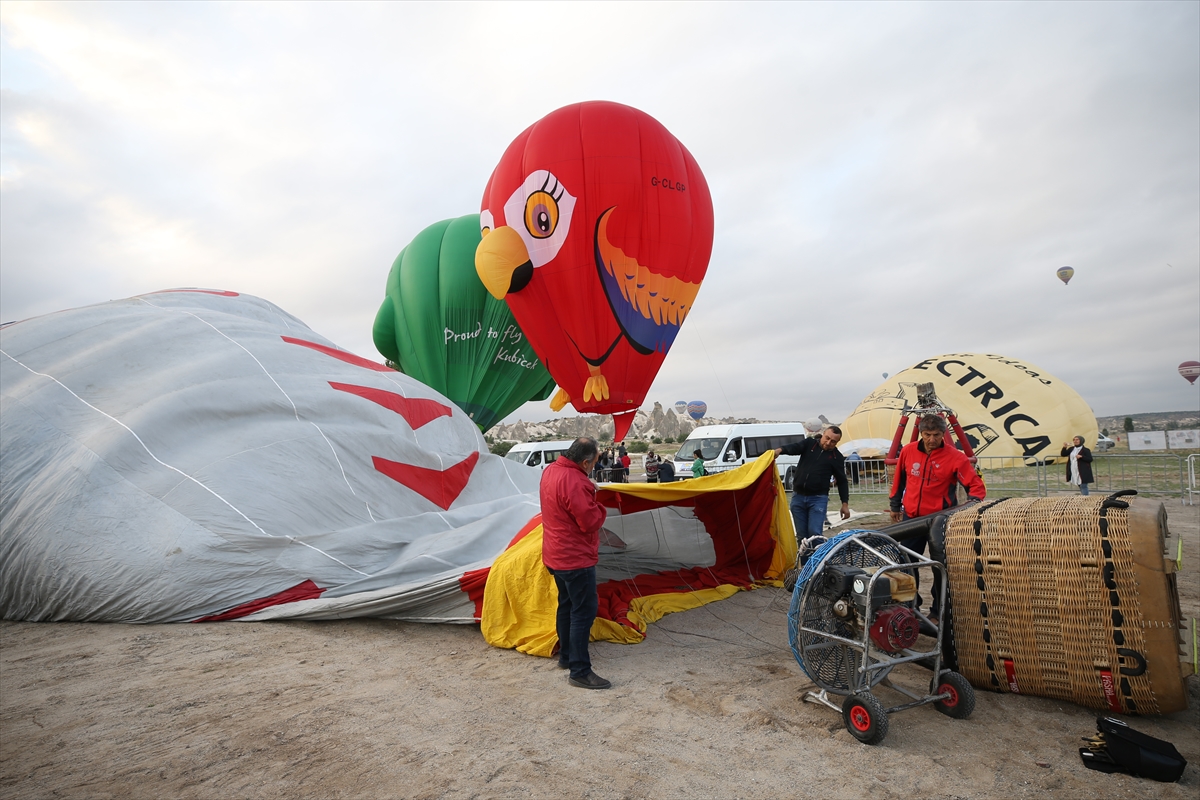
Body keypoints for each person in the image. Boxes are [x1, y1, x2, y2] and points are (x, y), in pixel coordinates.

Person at [888, 415, 986, 618]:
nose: (932, 439)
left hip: (939, 521)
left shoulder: (956, 457)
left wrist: (972, 504)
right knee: (906, 564)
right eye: (927, 435)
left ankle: (937, 611)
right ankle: (911, 607)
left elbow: (975, 486)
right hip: (912, 519)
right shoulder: (908, 451)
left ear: (944, 434)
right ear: (921, 433)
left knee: (940, 567)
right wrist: (895, 505)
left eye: (936, 435)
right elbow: (900, 479)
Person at [540, 437, 611, 690]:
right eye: (594, 462)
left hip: (555, 554)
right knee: (583, 611)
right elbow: (590, 522)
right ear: (584, 462)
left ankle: (567, 656)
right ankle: (580, 671)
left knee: (566, 605)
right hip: (575, 558)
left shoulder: (551, 470)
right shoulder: (577, 482)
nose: (594, 466)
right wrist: (599, 505)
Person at [774, 426, 850, 543]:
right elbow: (795, 447)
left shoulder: (836, 457)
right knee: (802, 536)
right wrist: (780, 450)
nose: (828, 442)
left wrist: (844, 503)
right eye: (827, 438)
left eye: (833, 441)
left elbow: (842, 481)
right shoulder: (810, 444)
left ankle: (817, 561)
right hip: (798, 497)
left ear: (837, 442)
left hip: (818, 499)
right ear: (823, 434)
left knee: (815, 533)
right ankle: (805, 561)